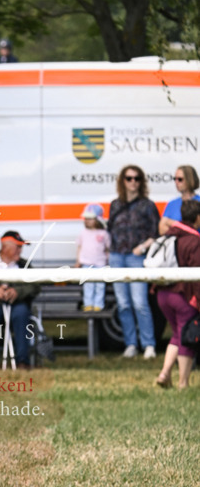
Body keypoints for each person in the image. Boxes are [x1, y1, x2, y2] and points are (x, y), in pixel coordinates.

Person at [107, 165, 159, 359]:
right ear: (123, 181)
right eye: (129, 178)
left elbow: (156, 234)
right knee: (123, 303)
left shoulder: (147, 205)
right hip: (116, 256)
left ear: (141, 181)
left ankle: (149, 345)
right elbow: (110, 229)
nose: (133, 182)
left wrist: (143, 248)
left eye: (136, 178)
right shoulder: (115, 205)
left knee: (140, 303)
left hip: (137, 256)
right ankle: (130, 344)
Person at [0, 230, 39, 368]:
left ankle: (23, 361)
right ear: (5, 247)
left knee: (22, 314)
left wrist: (17, 291)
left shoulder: (24, 264)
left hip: (17, 303)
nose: (20, 250)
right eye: (18, 247)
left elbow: (34, 285)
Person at [154, 199, 200, 389]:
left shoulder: (168, 236)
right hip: (183, 295)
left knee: (177, 334)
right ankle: (183, 383)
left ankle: (165, 373)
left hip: (162, 294)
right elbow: (197, 273)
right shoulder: (194, 240)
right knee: (187, 339)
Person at [75, 203, 110, 311]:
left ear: (98, 219)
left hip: (100, 264)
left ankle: (98, 305)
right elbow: (79, 247)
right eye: (86, 218)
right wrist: (78, 261)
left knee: (100, 285)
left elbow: (107, 248)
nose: (87, 220)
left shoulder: (104, 233)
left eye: (90, 218)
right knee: (88, 285)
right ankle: (88, 304)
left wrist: (107, 261)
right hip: (86, 263)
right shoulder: (83, 233)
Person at [158, 165, 200, 235]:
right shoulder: (172, 204)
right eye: (175, 179)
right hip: (177, 245)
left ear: (189, 179)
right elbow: (161, 229)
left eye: (180, 179)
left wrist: (172, 223)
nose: (176, 182)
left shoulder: (198, 202)